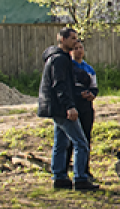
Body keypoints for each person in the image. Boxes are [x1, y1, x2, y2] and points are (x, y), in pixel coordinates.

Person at [37, 27, 99, 192]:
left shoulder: (58, 58)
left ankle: (60, 177)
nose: (75, 41)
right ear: (62, 39)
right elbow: (60, 86)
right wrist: (70, 107)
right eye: (72, 38)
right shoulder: (60, 60)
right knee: (81, 143)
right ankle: (80, 179)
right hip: (61, 108)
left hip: (56, 107)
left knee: (61, 142)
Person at [65, 39, 99, 180]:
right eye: (76, 48)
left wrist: (92, 94)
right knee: (70, 141)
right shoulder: (68, 68)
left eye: (81, 47)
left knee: (85, 139)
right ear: (71, 51)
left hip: (86, 107)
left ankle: (84, 170)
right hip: (73, 107)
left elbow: (94, 87)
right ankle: (65, 169)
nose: (79, 50)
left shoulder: (89, 69)